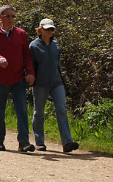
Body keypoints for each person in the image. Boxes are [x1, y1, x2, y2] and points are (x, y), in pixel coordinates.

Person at [0, 5, 36, 152]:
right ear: (0, 16)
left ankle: (24, 142)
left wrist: (30, 73)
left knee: (22, 110)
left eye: (13, 16)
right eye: (7, 16)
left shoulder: (21, 33)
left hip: (18, 79)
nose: (11, 19)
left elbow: (26, 55)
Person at [30, 18, 79, 153]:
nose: (50, 31)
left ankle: (67, 142)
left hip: (57, 83)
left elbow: (58, 64)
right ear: (40, 30)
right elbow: (31, 65)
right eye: (47, 29)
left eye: (52, 29)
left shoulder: (56, 45)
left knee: (62, 110)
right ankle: (39, 142)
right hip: (40, 83)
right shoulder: (33, 46)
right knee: (39, 112)